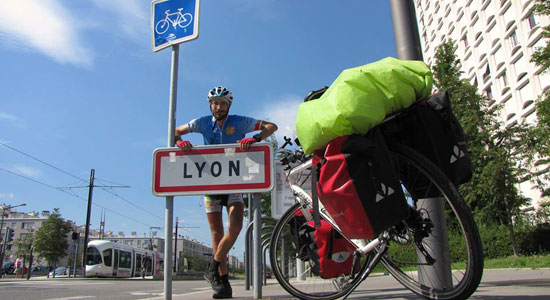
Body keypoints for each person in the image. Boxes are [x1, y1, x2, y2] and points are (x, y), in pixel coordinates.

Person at [175, 86, 277, 299]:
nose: (218, 107)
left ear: (229, 105)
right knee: (216, 233)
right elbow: (176, 130)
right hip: (210, 184)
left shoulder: (240, 121)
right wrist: (180, 142)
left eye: (222, 103)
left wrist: (256, 138)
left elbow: (271, 126)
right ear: (210, 105)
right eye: (215, 103)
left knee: (237, 225)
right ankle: (222, 283)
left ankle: (212, 266)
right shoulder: (202, 122)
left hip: (234, 182)